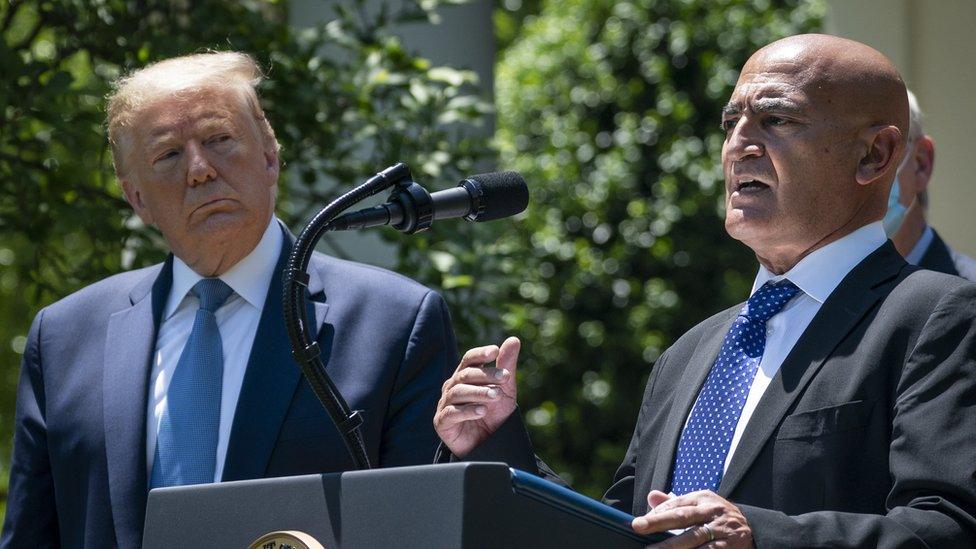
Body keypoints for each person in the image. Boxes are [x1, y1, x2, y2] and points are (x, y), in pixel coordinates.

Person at [434, 34, 976, 548]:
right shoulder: (691, 353)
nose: (740, 144)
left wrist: (760, 537)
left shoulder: (937, 316)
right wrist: (495, 448)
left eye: (777, 118)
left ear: (875, 155)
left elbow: (949, 529)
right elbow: (624, 532)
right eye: (731, 122)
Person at [1, 52, 458, 548]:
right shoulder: (64, 337)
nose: (199, 170)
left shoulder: (392, 322)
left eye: (220, 140)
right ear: (137, 198)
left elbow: (428, 524)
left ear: (269, 157)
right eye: (168, 155)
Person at [883, 89, 976, 280]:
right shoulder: (812, 295)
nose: (857, 176)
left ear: (920, 163)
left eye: (877, 153)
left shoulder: (968, 297)